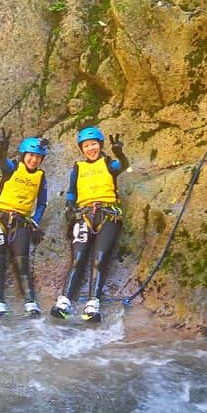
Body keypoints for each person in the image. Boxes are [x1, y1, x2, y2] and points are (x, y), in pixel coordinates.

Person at [51, 126, 128, 323]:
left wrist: (120, 153)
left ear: (100, 145)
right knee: (78, 258)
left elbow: (123, 166)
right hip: (84, 215)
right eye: (86, 145)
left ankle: (93, 303)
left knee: (100, 259)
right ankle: (65, 300)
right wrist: (69, 205)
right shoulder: (78, 168)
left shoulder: (109, 163)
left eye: (93, 144)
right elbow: (71, 192)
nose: (90, 148)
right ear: (82, 149)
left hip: (107, 215)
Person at [0, 129, 48, 317]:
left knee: (21, 263)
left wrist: (35, 221)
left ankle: (30, 301)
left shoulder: (40, 177)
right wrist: (3, 147)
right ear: (24, 155)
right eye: (31, 156)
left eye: (38, 157)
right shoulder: (13, 168)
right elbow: (2, 161)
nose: (34, 160)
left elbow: (41, 203)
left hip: (21, 222)